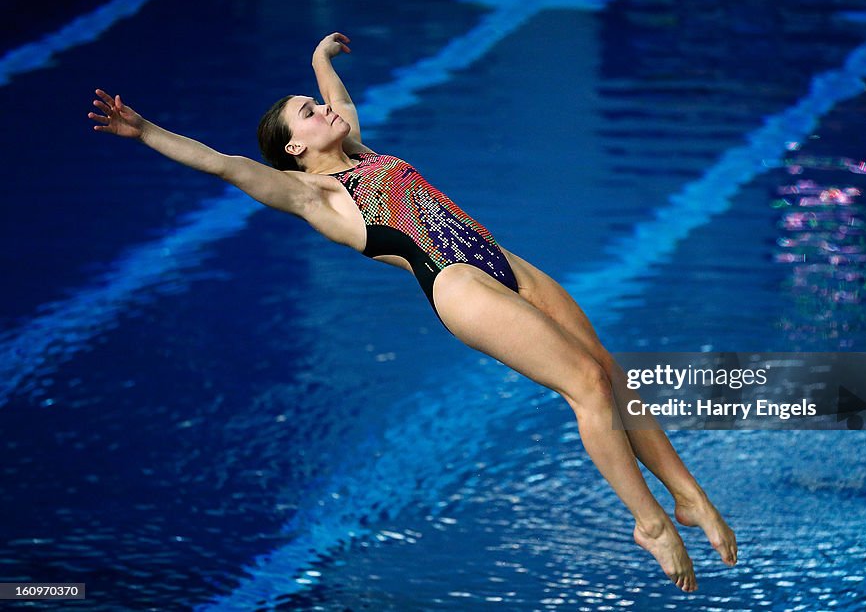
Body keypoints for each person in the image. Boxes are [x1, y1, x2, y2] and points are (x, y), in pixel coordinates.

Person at [89, 32, 737, 592]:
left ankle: (688, 497)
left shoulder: (363, 153)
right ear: (292, 150)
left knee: (612, 374)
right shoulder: (315, 194)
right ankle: (648, 523)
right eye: (307, 114)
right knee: (587, 387)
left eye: (315, 104)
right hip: (457, 284)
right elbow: (226, 165)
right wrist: (144, 131)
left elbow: (340, 102)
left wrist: (322, 58)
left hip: (502, 259)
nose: (324, 110)